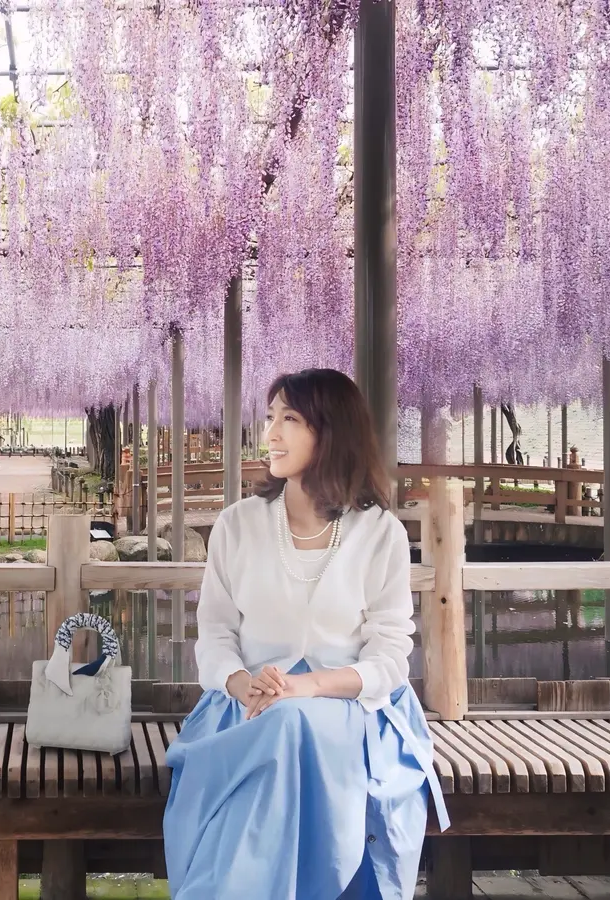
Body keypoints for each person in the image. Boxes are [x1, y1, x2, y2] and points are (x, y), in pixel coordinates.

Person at [163, 368, 448, 900]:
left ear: (331, 430)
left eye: (289, 419)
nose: (271, 433)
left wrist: (308, 686)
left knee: (291, 722)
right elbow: (215, 636)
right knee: (280, 725)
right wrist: (242, 684)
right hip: (244, 711)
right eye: (270, 417)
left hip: (350, 710)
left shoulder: (379, 532)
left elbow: (390, 658)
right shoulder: (238, 525)